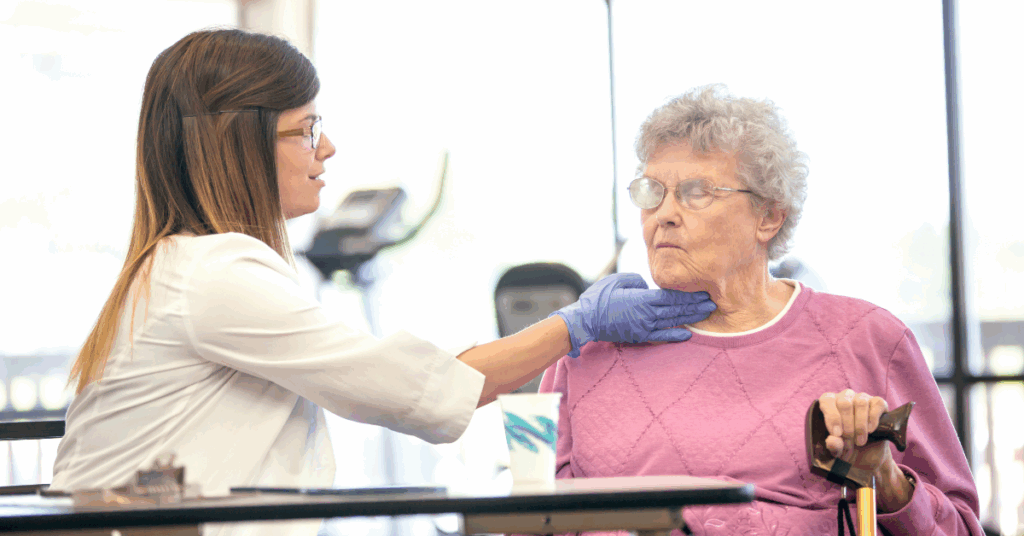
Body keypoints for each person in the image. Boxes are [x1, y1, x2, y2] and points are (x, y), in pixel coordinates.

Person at [49, 29, 716, 535]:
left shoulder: (176, 266)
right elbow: (415, 394)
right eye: (307, 129)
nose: (327, 148)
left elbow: (408, 386)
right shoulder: (214, 274)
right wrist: (574, 326)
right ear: (241, 145)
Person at [539, 85, 984, 535]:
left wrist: (884, 477)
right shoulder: (586, 351)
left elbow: (962, 528)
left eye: (696, 192)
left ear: (768, 217)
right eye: (652, 191)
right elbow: (530, 522)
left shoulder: (868, 340)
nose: (663, 214)